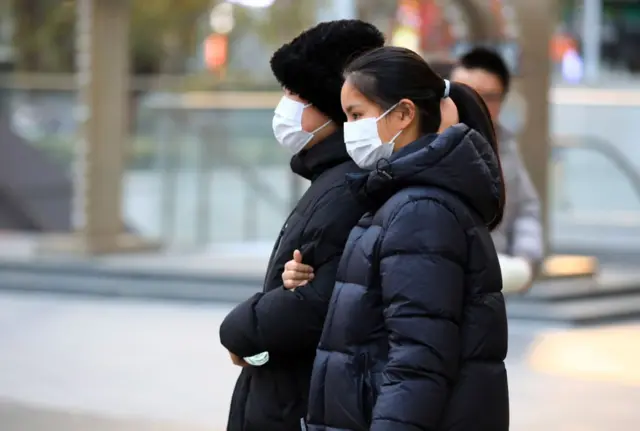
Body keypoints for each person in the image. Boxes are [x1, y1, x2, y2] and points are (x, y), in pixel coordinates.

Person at [283, 46, 509, 430]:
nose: (350, 129)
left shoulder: (420, 210)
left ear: (403, 113)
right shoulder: (398, 199)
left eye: (357, 115)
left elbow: (418, 364)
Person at [218, 20, 385, 431]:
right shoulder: (328, 178)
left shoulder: (346, 187)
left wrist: (242, 330)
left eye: (295, 94)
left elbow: (318, 303)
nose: (285, 106)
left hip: (296, 405)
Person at [450, 47, 543, 274]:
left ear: (502, 99)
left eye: (487, 97)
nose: (474, 104)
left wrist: (524, 258)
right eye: (464, 94)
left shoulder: (505, 145)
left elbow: (525, 208)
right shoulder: (429, 145)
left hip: (493, 277)